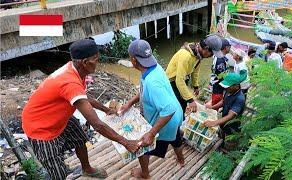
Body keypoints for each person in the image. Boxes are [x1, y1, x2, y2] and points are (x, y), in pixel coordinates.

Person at [22, 39, 139, 179]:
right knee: (55, 167)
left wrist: (105, 109)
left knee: (79, 137)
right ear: (84, 62)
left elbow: (82, 95)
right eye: (96, 59)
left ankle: (87, 168)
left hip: (58, 115)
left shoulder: (75, 70)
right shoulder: (69, 82)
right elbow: (97, 124)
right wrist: (125, 142)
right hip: (39, 127)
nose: (98, 62)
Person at [119, 39, 184, 179]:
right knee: (176, 138)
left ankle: (145, 174)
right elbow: (145, 92)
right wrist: (129, 103)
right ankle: (181, 160)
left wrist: (151, 133)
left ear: (133, 60)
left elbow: (168, 109)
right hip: (176, 116)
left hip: (165, 121)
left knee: (142, 148)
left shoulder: (151, 81)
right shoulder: (154, 67)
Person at [166, 34, 223, 114]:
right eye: (212, 53)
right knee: (176, 107)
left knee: (183, 104)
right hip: (172, 82)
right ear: (206, 49)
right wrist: (190, 100)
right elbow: (179, 80)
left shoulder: (198, 55)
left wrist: (195, 86)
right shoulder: (185, 55)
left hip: (182, 80)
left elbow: (195, 71)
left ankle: (181, 121)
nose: (211, 56)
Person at [203, 70, 247, 137]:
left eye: (227, 86)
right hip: (223, 121)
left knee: (229, 142)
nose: (225, 88)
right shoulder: (229, 91)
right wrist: (212, 107)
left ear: (236, 86)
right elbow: (223, 101)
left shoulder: (240, 98)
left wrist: (213, 123)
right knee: (221, 136)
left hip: (232, 127)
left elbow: (230, 116)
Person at [205, 39, 231, 108]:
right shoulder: (220, 60)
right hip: (218, 87)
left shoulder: (219, 56)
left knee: (214, 101)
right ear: (225, 48)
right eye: (229, 46)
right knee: (215, 106)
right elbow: (221, 76)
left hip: (216, 84)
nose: (230, 48)